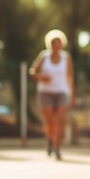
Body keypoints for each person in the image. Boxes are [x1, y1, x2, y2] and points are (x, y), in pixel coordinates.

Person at [29, 29, 75, 161]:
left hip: (62, 91)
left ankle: (57, 147)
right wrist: (41, 77)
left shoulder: (67, 58)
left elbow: (70, 77)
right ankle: (50, 139)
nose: (57, 45)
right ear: (50, 44)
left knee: (59, 120)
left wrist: (72, 95)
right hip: (46, 92)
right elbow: (32, 71)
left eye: (59, 42)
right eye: (54, 42)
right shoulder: (44, 56)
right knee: (49, 121)